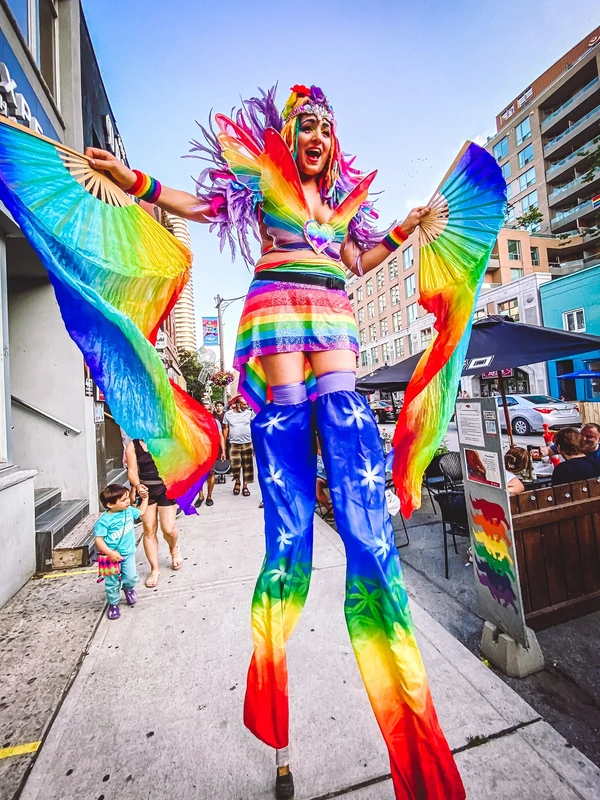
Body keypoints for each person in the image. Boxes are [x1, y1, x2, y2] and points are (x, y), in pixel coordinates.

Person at [86, 84, 464, 799]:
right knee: (289, 439)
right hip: (276, 312)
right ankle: (286, 569)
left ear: (334, 140)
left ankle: (366, 529)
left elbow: (359, 260)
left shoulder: (341, 200)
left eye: (326, 127)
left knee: (347, 422)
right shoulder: (263, 185)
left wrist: (407, 228)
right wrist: (131, 180)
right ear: (290, 137)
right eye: (306, 126)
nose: (317, 136)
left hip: (332, 311)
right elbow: (201, 206)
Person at [126, 438, 183, 588]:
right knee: (149, 529)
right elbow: (131, 470)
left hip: (166, 489)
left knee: (168, 529)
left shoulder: (167, 439)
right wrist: (137, 486)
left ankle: (173, 549)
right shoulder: (133, 445)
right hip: (145, 491)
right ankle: (154, 569)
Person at [95, 483, 148, 620]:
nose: (128, 501)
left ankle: (128, 588)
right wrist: (110, 553)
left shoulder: (129, 511)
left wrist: (145, 498)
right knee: (112, 583)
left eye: (127, 498)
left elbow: (141, 512)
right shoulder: (104, 521)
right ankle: (113, 604)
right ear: (110, 504)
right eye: (123, 500)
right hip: (110, 557)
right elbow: (99, 540)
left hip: (128, 554)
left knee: (131, 577)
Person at [195, 400, 226, 507]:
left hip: (211, 452)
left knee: (211, 473)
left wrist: (223, 451)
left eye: (209, 409)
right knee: (199, 475)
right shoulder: (196, 421)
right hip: (198, 452)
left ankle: (209, 496)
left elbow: (221, 436)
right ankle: (200, 496)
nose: (207, 411)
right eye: (205, 409)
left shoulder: (215, 422)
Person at [223, 396, 255, 497]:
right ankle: (237, 482)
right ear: (237, 404)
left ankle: (245, 486)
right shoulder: (228, 414)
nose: (246, 406)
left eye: (246, 404)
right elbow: (225, 429)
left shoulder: (249, 413)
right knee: (235, 466)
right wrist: (224, 444)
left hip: (247, 443)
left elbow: (254, 426)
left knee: (247, 466)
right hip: (234, 443)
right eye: (244, 404)